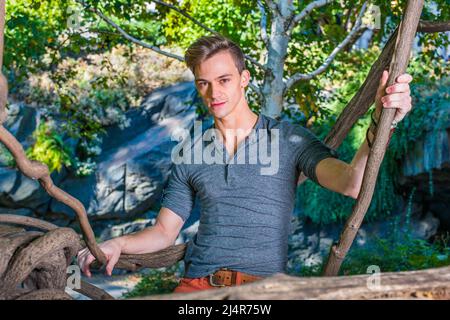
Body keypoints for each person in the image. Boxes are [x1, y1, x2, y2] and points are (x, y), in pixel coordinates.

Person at [77, 35, 413, 293]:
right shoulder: (190, 152)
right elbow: (165, 232)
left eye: (223, 80)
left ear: (244, 78)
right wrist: (117, 243)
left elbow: (352, 182)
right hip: (197, 287)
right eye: (203, 83)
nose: (213, 93)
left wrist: (381, 123)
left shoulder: (288, 139)